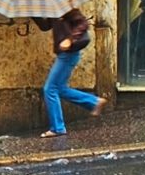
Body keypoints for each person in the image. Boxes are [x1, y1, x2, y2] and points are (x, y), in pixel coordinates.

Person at [33, 8, 105, 137]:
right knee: (59, 88)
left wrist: (70, 39)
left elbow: (83, 23)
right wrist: (33, 14)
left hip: (68, 54)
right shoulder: (54, 9)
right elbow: (45, 26)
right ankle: (94, 102)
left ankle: (57, 128)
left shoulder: (65, 6)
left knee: (49, 89)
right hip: (66, 55)